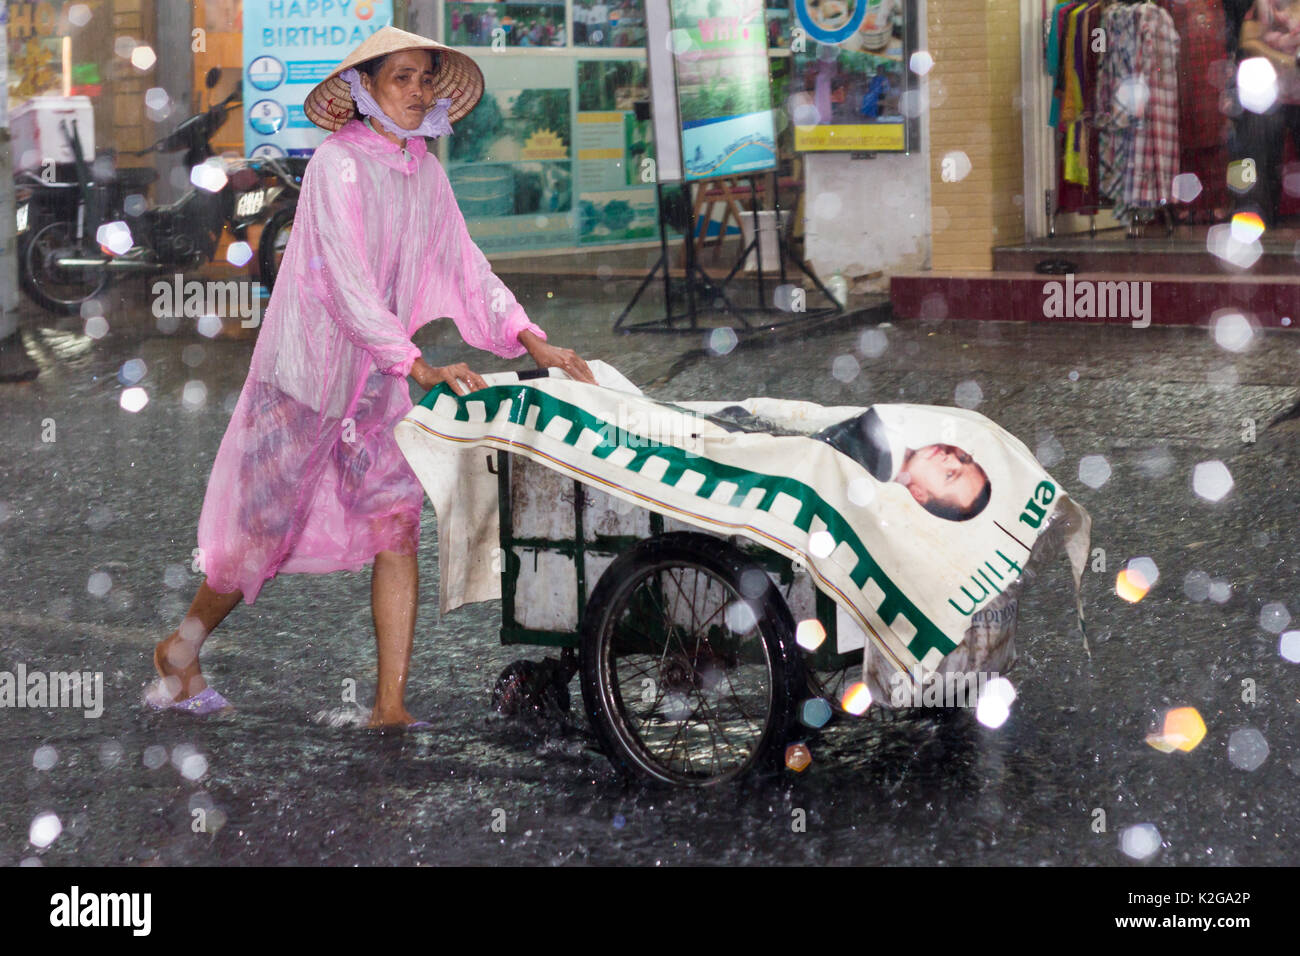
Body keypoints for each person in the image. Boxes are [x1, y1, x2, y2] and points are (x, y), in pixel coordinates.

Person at [149, 27, 596, 725]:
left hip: (376, 376)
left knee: (395, 524)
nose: (418, 93)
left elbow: (464, 265)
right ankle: (178, 651)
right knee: (258, 533)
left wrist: (529, 339)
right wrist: (415, 362)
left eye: (425, 79)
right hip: (306, 374)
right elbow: (347, 284)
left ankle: (389, 704)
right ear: (363, 90)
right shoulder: (338, 165)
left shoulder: (425, 172)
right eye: (402, 79)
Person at [814, 407, 991, 521]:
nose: (951, 458)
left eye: (949, 475)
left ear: (919, 494)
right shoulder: (917, 427)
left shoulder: (863, 450)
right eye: (964, 459)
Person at [1235, 0, 1300, 225]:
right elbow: (1248, 41)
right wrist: (1284, 58)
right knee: (1268, 161)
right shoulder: (1265, 5)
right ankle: (1267, 219)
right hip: (1271, 94)